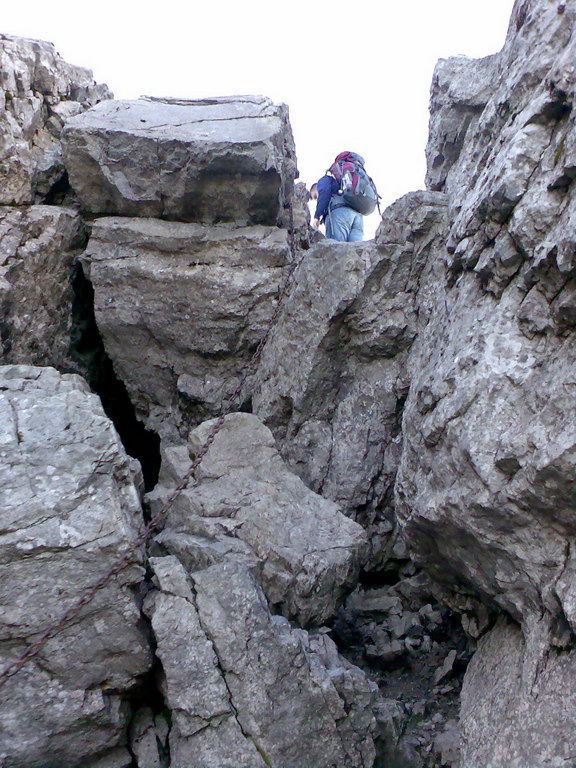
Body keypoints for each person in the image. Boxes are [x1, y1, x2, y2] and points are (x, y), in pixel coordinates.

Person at [310, 174, 364, 243]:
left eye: (315, 196)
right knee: (356, 250)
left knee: (337, 250)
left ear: (316, 188)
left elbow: (323, 193)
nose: (317, 199)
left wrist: (317, 217)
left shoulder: (323, 181)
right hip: (357, 215)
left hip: (339, 214)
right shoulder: (341, 187)